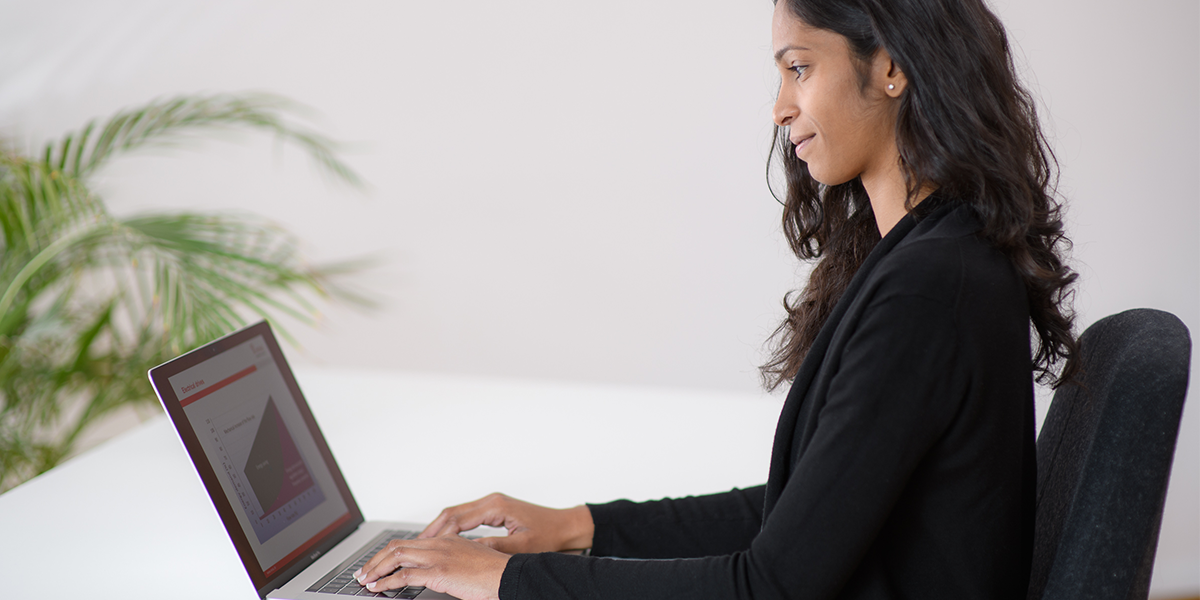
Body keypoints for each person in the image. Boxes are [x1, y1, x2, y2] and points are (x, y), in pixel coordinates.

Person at [354, 0, 1078, 598]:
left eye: (799, 68)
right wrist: (577, 526)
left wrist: (511, 580)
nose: (779, 107)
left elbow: (771, 584)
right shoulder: (933, 256)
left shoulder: (930, 287)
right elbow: (803, 514)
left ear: (891, 67)